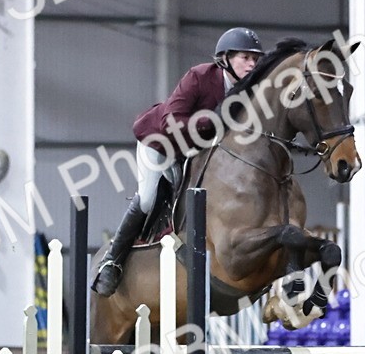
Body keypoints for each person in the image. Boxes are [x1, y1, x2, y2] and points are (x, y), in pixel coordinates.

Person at [92, 27, 264, 297]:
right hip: (160, 144)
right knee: (149, 198)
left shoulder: (248, 92)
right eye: (246, 57)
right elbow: (169, 120)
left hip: (196, 153)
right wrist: (212, 120)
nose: (252, 64)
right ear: (226, 58)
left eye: (255, 59)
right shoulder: (199, 77)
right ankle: (112, 261)